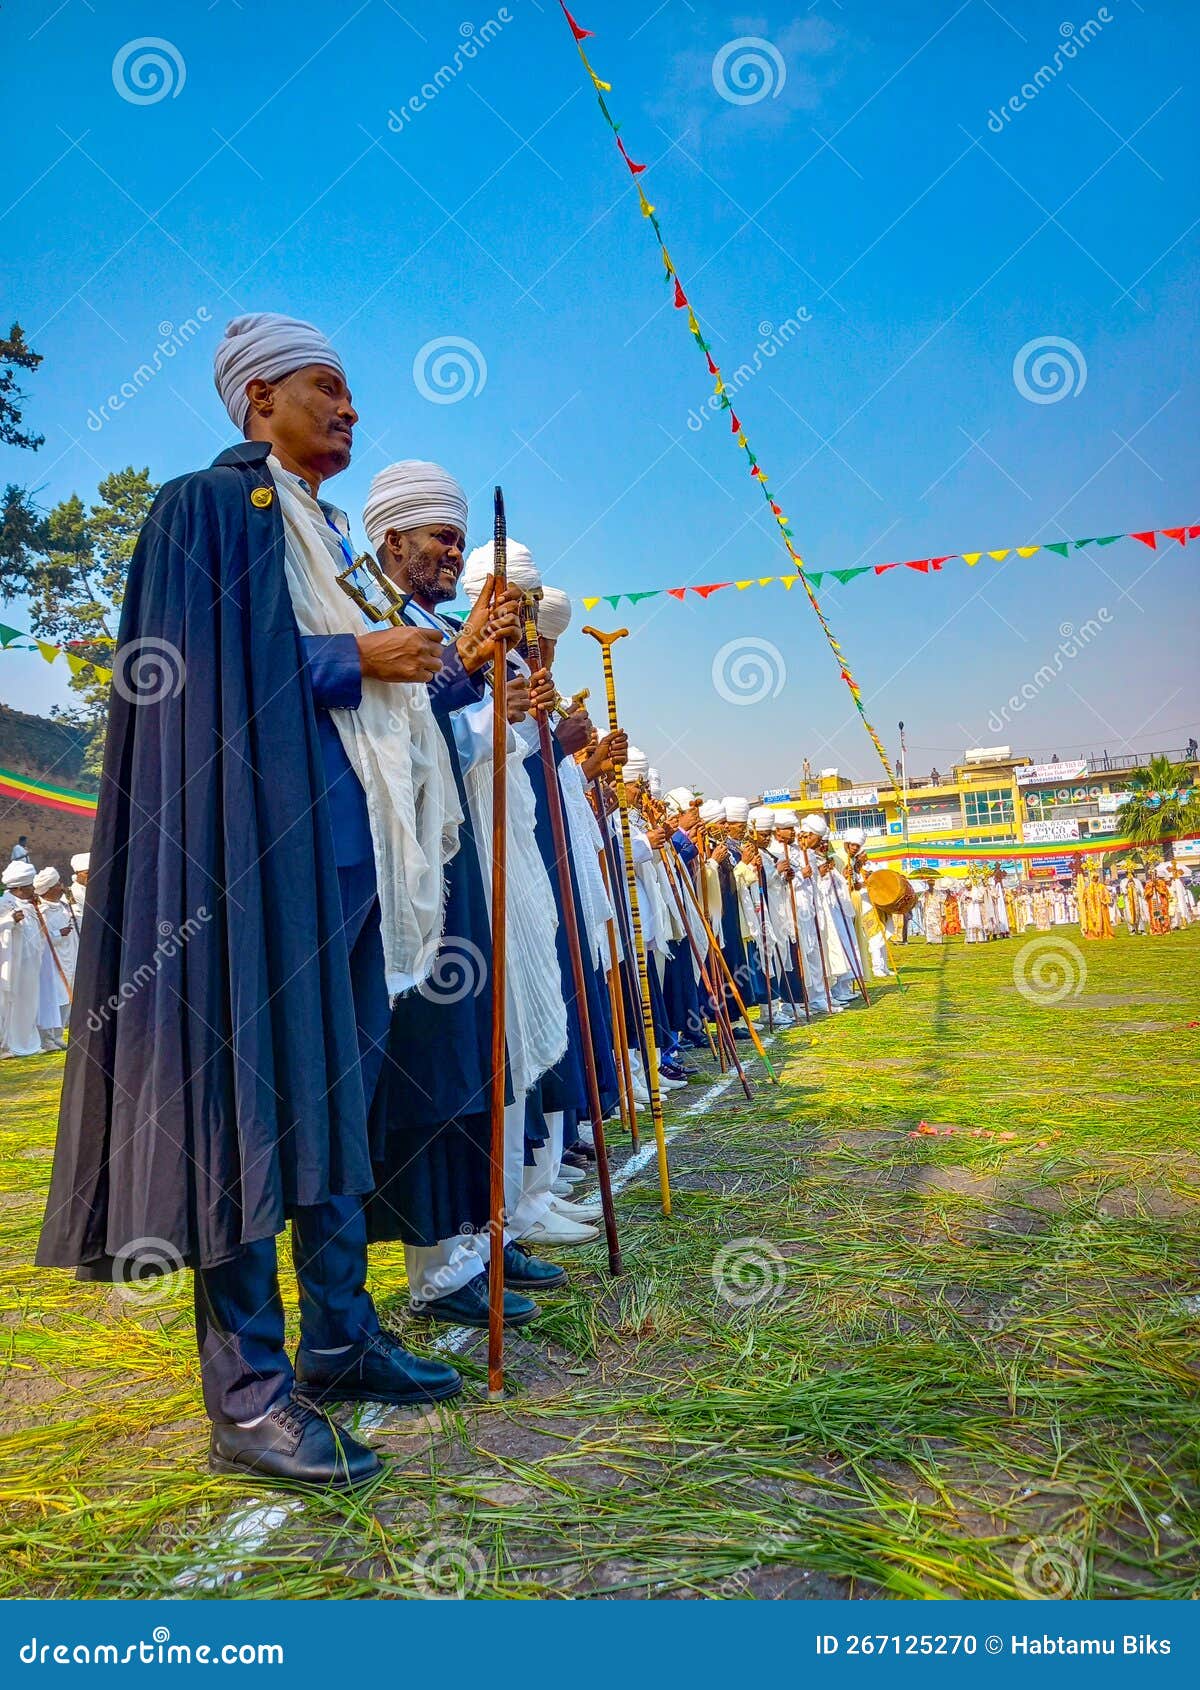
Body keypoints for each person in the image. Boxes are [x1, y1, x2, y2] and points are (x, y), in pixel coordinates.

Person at [37, 312, 463, 1491]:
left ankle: (341, 1337)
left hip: (360, 859)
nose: (350, 409)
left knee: (337, 1108)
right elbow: (194, 671)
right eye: (327, 387)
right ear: (257, 395)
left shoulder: (330, 532)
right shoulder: (206, 507)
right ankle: (251, 1398)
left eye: (350, 391)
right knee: (249, 1113)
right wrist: (351, 660)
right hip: (253, 866)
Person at [1, 860, 48, 1058]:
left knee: (29, 1002)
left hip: (30, 964)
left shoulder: (29, 905)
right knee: (9, 1002)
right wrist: (11, 920)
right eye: (30, 886)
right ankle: (6, 1044)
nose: (33, 889)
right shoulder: (4, 904)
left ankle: (28, 1041)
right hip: (12, 964)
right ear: (19, 887)